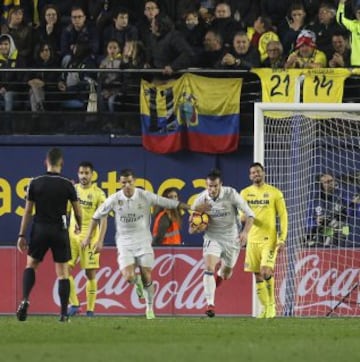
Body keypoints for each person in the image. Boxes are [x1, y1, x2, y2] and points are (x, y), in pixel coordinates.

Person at [82, 168, 200, 319]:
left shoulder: (144, 196)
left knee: (146, 274)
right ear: (120, 183)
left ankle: (149, 308)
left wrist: (192, 207)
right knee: (128, 276)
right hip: (124, 243)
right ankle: (135, 281)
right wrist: (87, 237)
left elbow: (170, 203)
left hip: (143, 241)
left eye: (129, 182)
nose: (127, 186)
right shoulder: (114, 199)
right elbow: (96, 216)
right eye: (123, 183)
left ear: (134, 182)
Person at [16, 147, 82, 322]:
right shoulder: (68, 184)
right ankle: (63, 313)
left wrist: (21, 235)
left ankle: (24, 300)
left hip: (40, 229)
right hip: (60, 230)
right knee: (63, 273)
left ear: (46, 162)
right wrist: (79, 226)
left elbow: (28, 211)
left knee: (31, 265)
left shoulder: (35, 183)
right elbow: (78, 211)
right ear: (61, 163)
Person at [189, 169, 255, 318]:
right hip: (212, 237)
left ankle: (219, 275)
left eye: (215, 186)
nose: (212, 189)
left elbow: (250, 215)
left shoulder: (231, 194)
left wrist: (245, 232)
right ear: (206, 185)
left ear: (221, 185)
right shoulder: (200, 200)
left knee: (226, 274)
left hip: (232, 239)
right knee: (208, 267)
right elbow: (191, 230)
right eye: (209, 186)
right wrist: (197, 227)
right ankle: (210, 304)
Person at [240, 162, 288, 319]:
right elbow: (241, 215)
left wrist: (282, 238)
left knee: (266, 270)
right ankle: (265, 308)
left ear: (264, 173)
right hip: (252, 240)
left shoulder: (275, 193)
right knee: (257, 275)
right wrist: (243, 219)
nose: (256, 174)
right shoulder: (245, 193)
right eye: (253, 172)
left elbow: (283, 216)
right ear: (250, 176)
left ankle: (272, 306)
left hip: (269, 239)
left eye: (258, 172)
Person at [67, 161, 107, 317]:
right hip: (72, 238)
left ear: (92, 175)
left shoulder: (98, 194)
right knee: (65, 270)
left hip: (90, 240)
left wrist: (100, 240)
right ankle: (75, 304)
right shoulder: (73, 190)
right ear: (78, 174)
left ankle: (90, 310)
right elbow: (66, 212)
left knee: (90, 274)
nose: (83, 176)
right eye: (81, 173)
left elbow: (103, 219)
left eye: (86, 173)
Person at [307, 173, 349, 248]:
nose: (330, 183)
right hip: (321, 232)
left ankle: (343, 247)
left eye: (331, 181)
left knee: (342, 226)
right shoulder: (315, 200)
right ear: (321, 185)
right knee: (329, 228)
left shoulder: (341, 195)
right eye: (326, 182)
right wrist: (316, 221)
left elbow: (351, 211)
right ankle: (325, 247)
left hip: (340, 231)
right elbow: (307, 221)